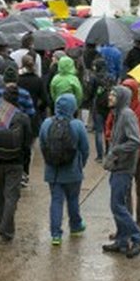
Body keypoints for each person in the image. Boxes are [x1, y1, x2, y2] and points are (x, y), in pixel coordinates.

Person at [105, 79, 140, 228]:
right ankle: (128, 223)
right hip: (125, 157)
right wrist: (112, 139)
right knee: (125, 191)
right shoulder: (117, 109)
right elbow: (109, 126)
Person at [102, 86, 140, 258]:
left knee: (117, 206)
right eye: (110, 93)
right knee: (118, 204)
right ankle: (122, 241)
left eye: (114, 94)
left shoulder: (127, 114)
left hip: (124, 167)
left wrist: (116, 151)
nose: (110, 96)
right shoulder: (118, 114)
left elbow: (136, 141)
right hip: (118, 166)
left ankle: (138, 238)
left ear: (121, 97)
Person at [39, 93, 90, 246]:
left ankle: (56, 234)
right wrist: (81, 165)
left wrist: (49, 161)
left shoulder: (47, 123)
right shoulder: (78, 125)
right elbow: (85, 149)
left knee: (56, 201)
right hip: (73, 171)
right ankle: (75, 226)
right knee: (73, 199)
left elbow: (42, 145)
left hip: (53, 172)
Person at [0, 87, 33, 242]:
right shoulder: (23, 118)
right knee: (12, 196)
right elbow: (27, 145)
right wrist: (25, 166)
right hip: (15, 161)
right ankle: (6, 228)